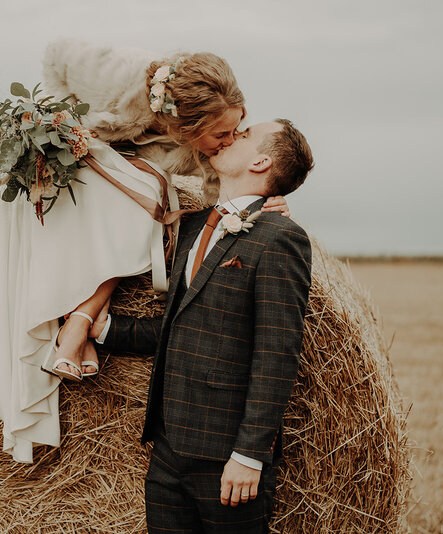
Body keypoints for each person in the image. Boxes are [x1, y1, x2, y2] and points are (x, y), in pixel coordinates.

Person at [0, 43, 288, 463]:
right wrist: (62, 124)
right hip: (74, 162)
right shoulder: (118, 79)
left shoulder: (205, 149)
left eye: (239, 130)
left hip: (126, 181)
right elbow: (57, 55)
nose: (231, 140)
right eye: (223, 134)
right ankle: (80, 323)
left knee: (150, 199)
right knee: (146, 195)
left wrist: (264, 204)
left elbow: (224, 197)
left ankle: (78, 321)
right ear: (189, 122)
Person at [90, 119, 314, 533]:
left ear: (262, 161)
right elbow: (185, 328)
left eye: (244, 135)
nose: (232, 135)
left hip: (228, 460)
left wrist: (249, 456)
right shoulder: (192, 227)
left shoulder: (279, 237)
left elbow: (276, 355)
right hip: (168, 449)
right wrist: (104, 328)